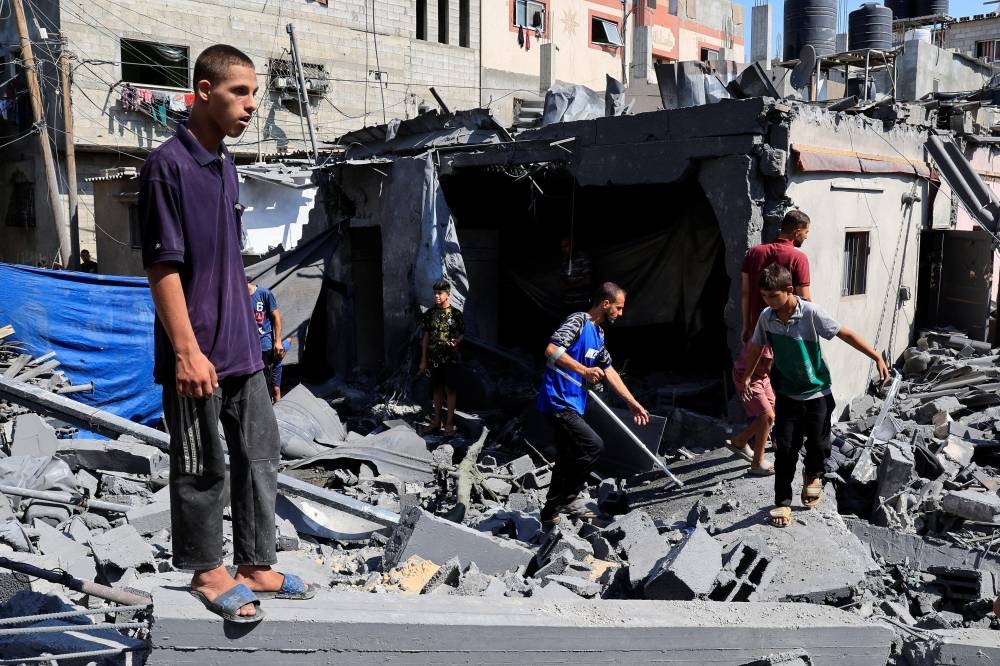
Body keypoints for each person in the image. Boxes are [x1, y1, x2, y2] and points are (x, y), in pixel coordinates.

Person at [140, 44, 314, 625]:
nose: (251, 105)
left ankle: (255, 563)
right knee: (201, 464)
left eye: (254, 93)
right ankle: (207, 570)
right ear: (204, 91)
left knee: (259, 452)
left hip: (241, 345)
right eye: (240, 92)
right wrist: (186, 352)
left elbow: (226, 262)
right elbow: (163, 267)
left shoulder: (227, 167)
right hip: (197, 351)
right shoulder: (168, 165)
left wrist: (262, 338)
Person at [741, 264, 888, 529]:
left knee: (819, 445)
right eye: (764, 296)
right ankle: (783, 502)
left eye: (773, 296)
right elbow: (756, 346)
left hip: (818, 393)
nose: (768, 302)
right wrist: (747, 377)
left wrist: (875, 356)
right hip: (787, 394)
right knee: (785, 449)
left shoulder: (810, 312)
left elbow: (845, 333)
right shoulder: (767, 317)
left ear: (788, 290)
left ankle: (812, 474)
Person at [537, 282, 650, 529]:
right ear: (605, 303)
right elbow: (552, 349)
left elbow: (609, 370)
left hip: (574, 404)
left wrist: (632, 403)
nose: (620, 314)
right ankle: (569, 498)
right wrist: (584, 370)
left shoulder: (599, 336)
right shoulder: (578, 321)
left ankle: (549, 512)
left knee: (567, 456)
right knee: (592, 445)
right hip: (556, 400)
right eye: (618, 308)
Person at [740, 210, 813, 343]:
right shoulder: (798, 258)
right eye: (806, 232)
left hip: (758, 330)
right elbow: (805, 299)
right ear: (797, 232)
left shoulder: (753, 252)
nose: (806, 236)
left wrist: (746, 326)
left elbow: (745, 292)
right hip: (786, 333)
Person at [419, 279, 464, 435]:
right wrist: (423, 360)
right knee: (436, 390)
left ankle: (449, 424)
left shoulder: (456, 314)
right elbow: (426, 337)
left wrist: (456, 342)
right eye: (435, 293)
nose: (436, 296)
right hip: (434, 359)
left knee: (450, 390)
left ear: (448, 294)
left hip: (451, 359)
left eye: (440, 293)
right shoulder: (430, 314)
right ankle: (436, 421)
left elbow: (461, 334)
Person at [726, 339, 775, 476]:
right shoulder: (769, 326)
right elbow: (763, 357)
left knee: (771, 411)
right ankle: (757, 463)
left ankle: (740, 441)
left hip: (762, 374)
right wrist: (746, 379)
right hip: (748, 373)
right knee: (767, 415)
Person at [247, 276, 284, 403]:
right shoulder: (237, 297)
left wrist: (277, 341)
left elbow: (277, 318)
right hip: (247, 347)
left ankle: (267, 407)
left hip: (264, 344)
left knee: (264, 380)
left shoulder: (264, 294)